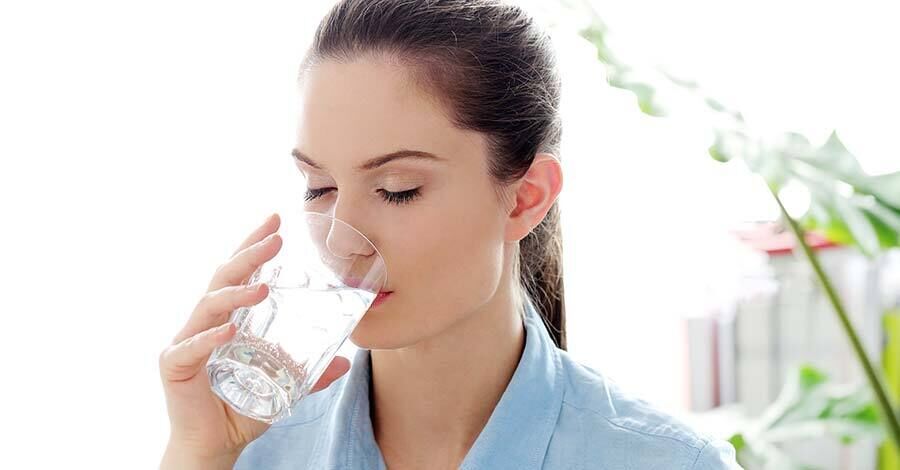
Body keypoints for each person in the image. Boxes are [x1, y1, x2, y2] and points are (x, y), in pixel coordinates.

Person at [159, 1, 742, 468]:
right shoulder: (254, 449)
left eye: (397, 189)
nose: (341, 241)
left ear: (526, 196)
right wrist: (200, 454)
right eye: (319, 188)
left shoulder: (668, 461)